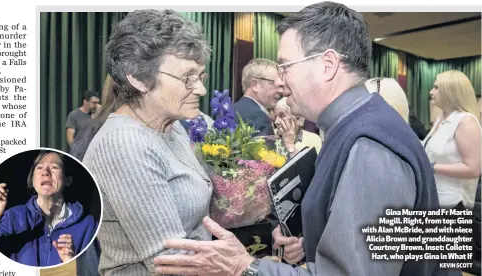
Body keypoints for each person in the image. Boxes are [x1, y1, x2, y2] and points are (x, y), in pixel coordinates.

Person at [154, 2, 454, 276]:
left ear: (327, 65)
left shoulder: (370, 148)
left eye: (285, 65)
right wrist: (308, 243)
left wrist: (246, 266)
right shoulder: (356, 126)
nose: (280, 80)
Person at [82, 9, 213, 275]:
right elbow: (172, 264)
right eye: (188, 77)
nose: (201, 89)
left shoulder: (170, 126)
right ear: (139, 78)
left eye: (200, 76)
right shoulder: (124, 145)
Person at [0, 150, 97, 267]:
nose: (46, 172)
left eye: (54, 167)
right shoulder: (13, 217)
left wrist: (71, 263)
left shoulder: (88, 225)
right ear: (32, 180)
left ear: (68, 180)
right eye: (39, 167)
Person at [422, 70, 481, 210]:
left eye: (436, 88)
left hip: (455, 204)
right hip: (436, 199)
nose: (431, 92)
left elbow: (473, 169)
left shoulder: (466, 122)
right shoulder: (441, 118)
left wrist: (432, 168)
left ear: (450, 91)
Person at [234, 58, 285, 137]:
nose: (281, 91)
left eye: (282, 86)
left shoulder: (230, 111)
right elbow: (267, 150)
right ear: (255, 85)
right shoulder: (258, 117)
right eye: (276, 85)